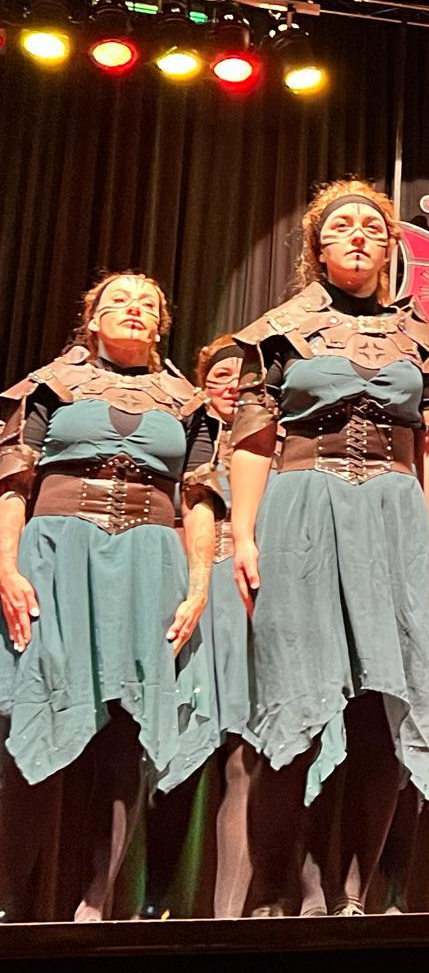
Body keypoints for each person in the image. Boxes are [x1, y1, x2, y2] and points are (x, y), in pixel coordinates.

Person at [231, 179, 429, 915]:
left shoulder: (421, 339)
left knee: (383, 708)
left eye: (373, 226)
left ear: (391, 246)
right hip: (302, 510)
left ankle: (358, 894)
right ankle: (279, 893)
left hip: (394, 517)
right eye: (343, 226)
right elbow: (253, 441)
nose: (359, 234)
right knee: (295, 705)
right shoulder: (279, 332)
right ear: (318, 247)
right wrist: (243, 535)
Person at [0, 273, 216, 921]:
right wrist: (6, 566)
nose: (133, 309)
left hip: (149, 566)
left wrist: (198, 586)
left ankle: (95, 906)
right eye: (117, 301)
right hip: (57, 560)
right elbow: (13, 483)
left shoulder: (188, 403)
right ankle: (7, 902)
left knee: (129, 733)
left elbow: (200, 500)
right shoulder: (49, 386)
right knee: (33, 718)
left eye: (147, 304)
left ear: (161, 326)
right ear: (92, 320)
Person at [141, 336, 257, 918]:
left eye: (243, 376)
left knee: (245, 756)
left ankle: (230, 921)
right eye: (220, 375)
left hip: (252, 601)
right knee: (176, 753)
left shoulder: (276, 442)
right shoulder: (178, 437)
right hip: (186, 600)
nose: (232, 384)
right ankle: (153, 907)